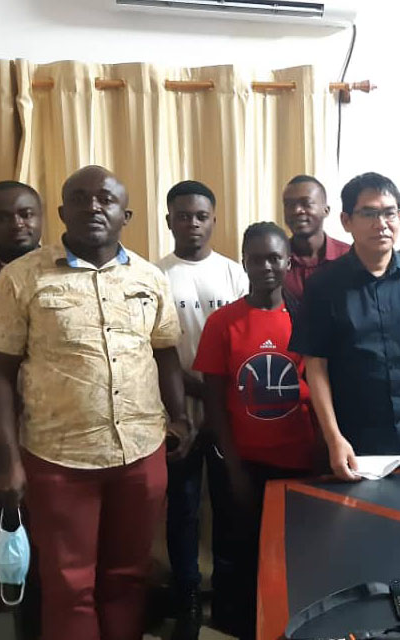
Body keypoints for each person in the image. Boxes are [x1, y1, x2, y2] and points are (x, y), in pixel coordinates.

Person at [0, 165, 195, 640]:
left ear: (126, 215)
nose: (92, 207)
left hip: (140, 453)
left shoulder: (150, 277)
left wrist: (178, 418)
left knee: (127, 577)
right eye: (79, 198)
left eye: (105, 199)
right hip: (56, 459)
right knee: (68, 585)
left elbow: (164, 354)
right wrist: (8, 462)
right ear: (61, 212)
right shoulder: (22, 278)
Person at [193, 222, 317, 640]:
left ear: (288, 262)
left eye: (274, 258)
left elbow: (320, 392)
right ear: (243, 261)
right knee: (239, 556)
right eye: (256, 258)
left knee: (296, 556)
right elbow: (213, 401)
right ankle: (237, 628)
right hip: (243, 465)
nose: (266, 266)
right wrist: (233, 469)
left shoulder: (307, 317)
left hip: (301, 463)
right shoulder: (223, 322)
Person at [292, 172, 400, 481]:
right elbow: (315, 365)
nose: (380, 223)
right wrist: (333, 438)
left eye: (388, 212)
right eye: (368, 213)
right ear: (346, 220)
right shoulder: (324, 286)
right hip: (354, 443)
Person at [156, 180, 248, 640]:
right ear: (168, 218)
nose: (192, 223)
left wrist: (220, 398)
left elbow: (246, 341)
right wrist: (197, 394)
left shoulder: (234, 273)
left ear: (214, 220)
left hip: (230, 412)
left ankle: (231, 594)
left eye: (201, 215)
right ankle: (187, 592)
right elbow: (156, 351)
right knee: (184, 509)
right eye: (183, 215)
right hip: (179, 416)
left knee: (229, 505)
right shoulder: (154, 275)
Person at [0, 181, 43, 544]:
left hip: (61, 430)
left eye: (26, 214)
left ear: (42, 217)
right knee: (8, 532)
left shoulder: (65, 271)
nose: (17, 223)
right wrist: (7, 411)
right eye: (3, 217)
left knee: (56, 530)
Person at [281, 174, 351, 305]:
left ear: (326, 210)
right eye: (289, 205)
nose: (297, 210)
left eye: (306, 204)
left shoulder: (350, 256)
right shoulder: (276, 261)